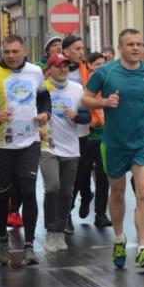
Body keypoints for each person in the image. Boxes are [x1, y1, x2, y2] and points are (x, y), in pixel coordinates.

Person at [82, 28, 144, 269]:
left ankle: (143, 249)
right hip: (115, 143)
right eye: (130, 44)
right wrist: (104, 102)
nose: (136, 48)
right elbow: (85, 99)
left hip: (143, 141)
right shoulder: (106, 72)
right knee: (117, 194)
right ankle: (119, 238)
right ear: (120, 48)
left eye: (139, 44)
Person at [0, 34, 51, 266]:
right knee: (2, 193)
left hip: (29, 141)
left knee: (28, 191)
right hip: (2, 144)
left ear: (24, 51)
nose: (11, 56)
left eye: (15, 51)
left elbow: (45, 99)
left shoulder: (35, 72)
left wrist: (46, 114)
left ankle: (29, 246)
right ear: (2, 53)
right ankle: (3, 238)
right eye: (7, 52)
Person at [40, 53, 90, 253]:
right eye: (59, 66)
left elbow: (87, 116)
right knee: (52, 188)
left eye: (66, 66)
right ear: (49, 69)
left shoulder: (77, 89)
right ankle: (50, 230)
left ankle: (60, 231)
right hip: (47, 147)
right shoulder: (42, 89)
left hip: (71, 148)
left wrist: (77, 115)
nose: (63, 70)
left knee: (66, 192)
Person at [61, 35, 92, 233]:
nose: (81, 52)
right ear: (66, 52)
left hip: (82, 131)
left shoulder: (86, 72)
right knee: (65, 180)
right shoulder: (55, 70)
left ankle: (86, 195)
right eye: (77, 48)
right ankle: (67, 215)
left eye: (83, 48)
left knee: (81, 176)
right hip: (60, 134)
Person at [77, 52, 111, 227]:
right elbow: (81, 103)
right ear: (89, 65)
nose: (101, 67)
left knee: (103, 176)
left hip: (105, 135)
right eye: (97, 64)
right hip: (88, 135)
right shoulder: (87, 83)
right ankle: (85, 196)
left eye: (103, 64)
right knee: (81, 173)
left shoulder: (109, 82)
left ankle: (100, 214)